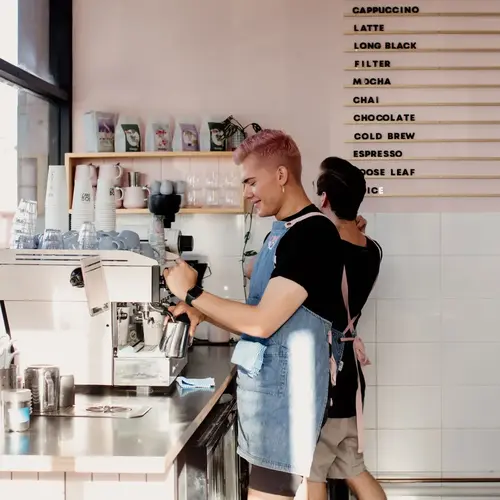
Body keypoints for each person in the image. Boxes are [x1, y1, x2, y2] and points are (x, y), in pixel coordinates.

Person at [164, 130, 347, 500]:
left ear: (281, 175)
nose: (247, 193)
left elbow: (262, 321)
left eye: (251, 181)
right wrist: (201, 313)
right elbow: (267, 316)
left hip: (285, 404)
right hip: (271, 397)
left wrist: (192, 291)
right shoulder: (282, 232)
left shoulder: (312, 235)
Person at [301, 157, 385, 500]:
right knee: (354, 468)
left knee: (312, 472)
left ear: (323, 199)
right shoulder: (373, 248)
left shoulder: (323, 246)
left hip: (327, 376)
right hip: (351, 379)